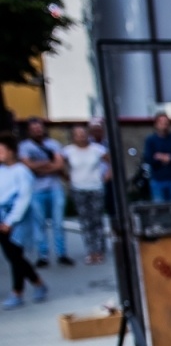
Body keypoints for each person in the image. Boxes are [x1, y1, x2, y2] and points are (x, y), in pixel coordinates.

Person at [0, 134, 48, 309]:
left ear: (11, 151)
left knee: (15, 255)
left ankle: (19, 291)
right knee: (12, 256)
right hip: (2, 216)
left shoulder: (22, 171)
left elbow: (24, 198)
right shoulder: (2, 170)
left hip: (17, 219)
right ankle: (35, 284)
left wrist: (11, 221)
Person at [18, 119, 70, 268]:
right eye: (34, 129)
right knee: (39, 223)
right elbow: (27, 166)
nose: (37, 131)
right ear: (29, 131)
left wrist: (39, 167)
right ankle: (43, 256)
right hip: (35, 190)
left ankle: (62, 254)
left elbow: (59, 164)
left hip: (55, 188)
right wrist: (47, 165)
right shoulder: (25, 147)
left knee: (58, 222)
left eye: (39, 128)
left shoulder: (53, 144)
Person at [63, 125, 109, 264]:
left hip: (95, 187)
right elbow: (59, 165)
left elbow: (110, 163)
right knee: (85, 221)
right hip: (79, 188)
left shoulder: (97, 149)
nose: (81, 136)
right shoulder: (68, 151)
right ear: (73, 137)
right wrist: (67, 178)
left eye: (83, 133)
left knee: (96, 219)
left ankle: (100, 250)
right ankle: (91, 251)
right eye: (78, 134)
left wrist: (106, 177)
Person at [143, 113, 171, 203]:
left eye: (166, 123)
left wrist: (163, 157)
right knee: (161, 211)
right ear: (156, 124)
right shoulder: (151, 140)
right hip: (158, 180)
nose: (164, 125)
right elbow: (148, 158)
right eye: (161, 122)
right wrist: (166, 158)